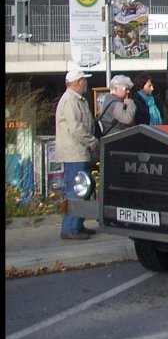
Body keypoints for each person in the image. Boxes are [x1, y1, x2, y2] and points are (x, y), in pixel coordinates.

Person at [55, 69, 100, 241]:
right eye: (84, 80)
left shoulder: (77, 100)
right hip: (74, 153)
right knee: (76, 190)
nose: (86, 83)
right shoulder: (70, 101)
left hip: (80, 151)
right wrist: (92, 142)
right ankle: (70, 228)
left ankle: (77, 224)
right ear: (77, 82)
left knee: (84, 189)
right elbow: (76, 129)